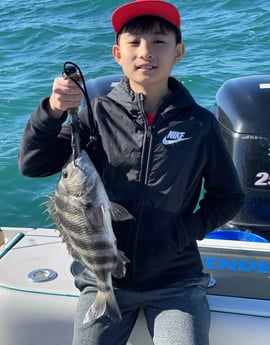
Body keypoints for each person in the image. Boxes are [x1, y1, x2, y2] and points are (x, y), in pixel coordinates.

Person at [18, 1, 245, 344]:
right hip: (101, 280)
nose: (146, 52)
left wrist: (185, 231)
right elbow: (33, 164)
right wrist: (51, 112)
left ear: (178, 52)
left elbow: (229, 196)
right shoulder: (95, 116)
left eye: (159, 42)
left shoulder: (200, 124)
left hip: (176, 283)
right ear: (117, 53)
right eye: (134, 42)